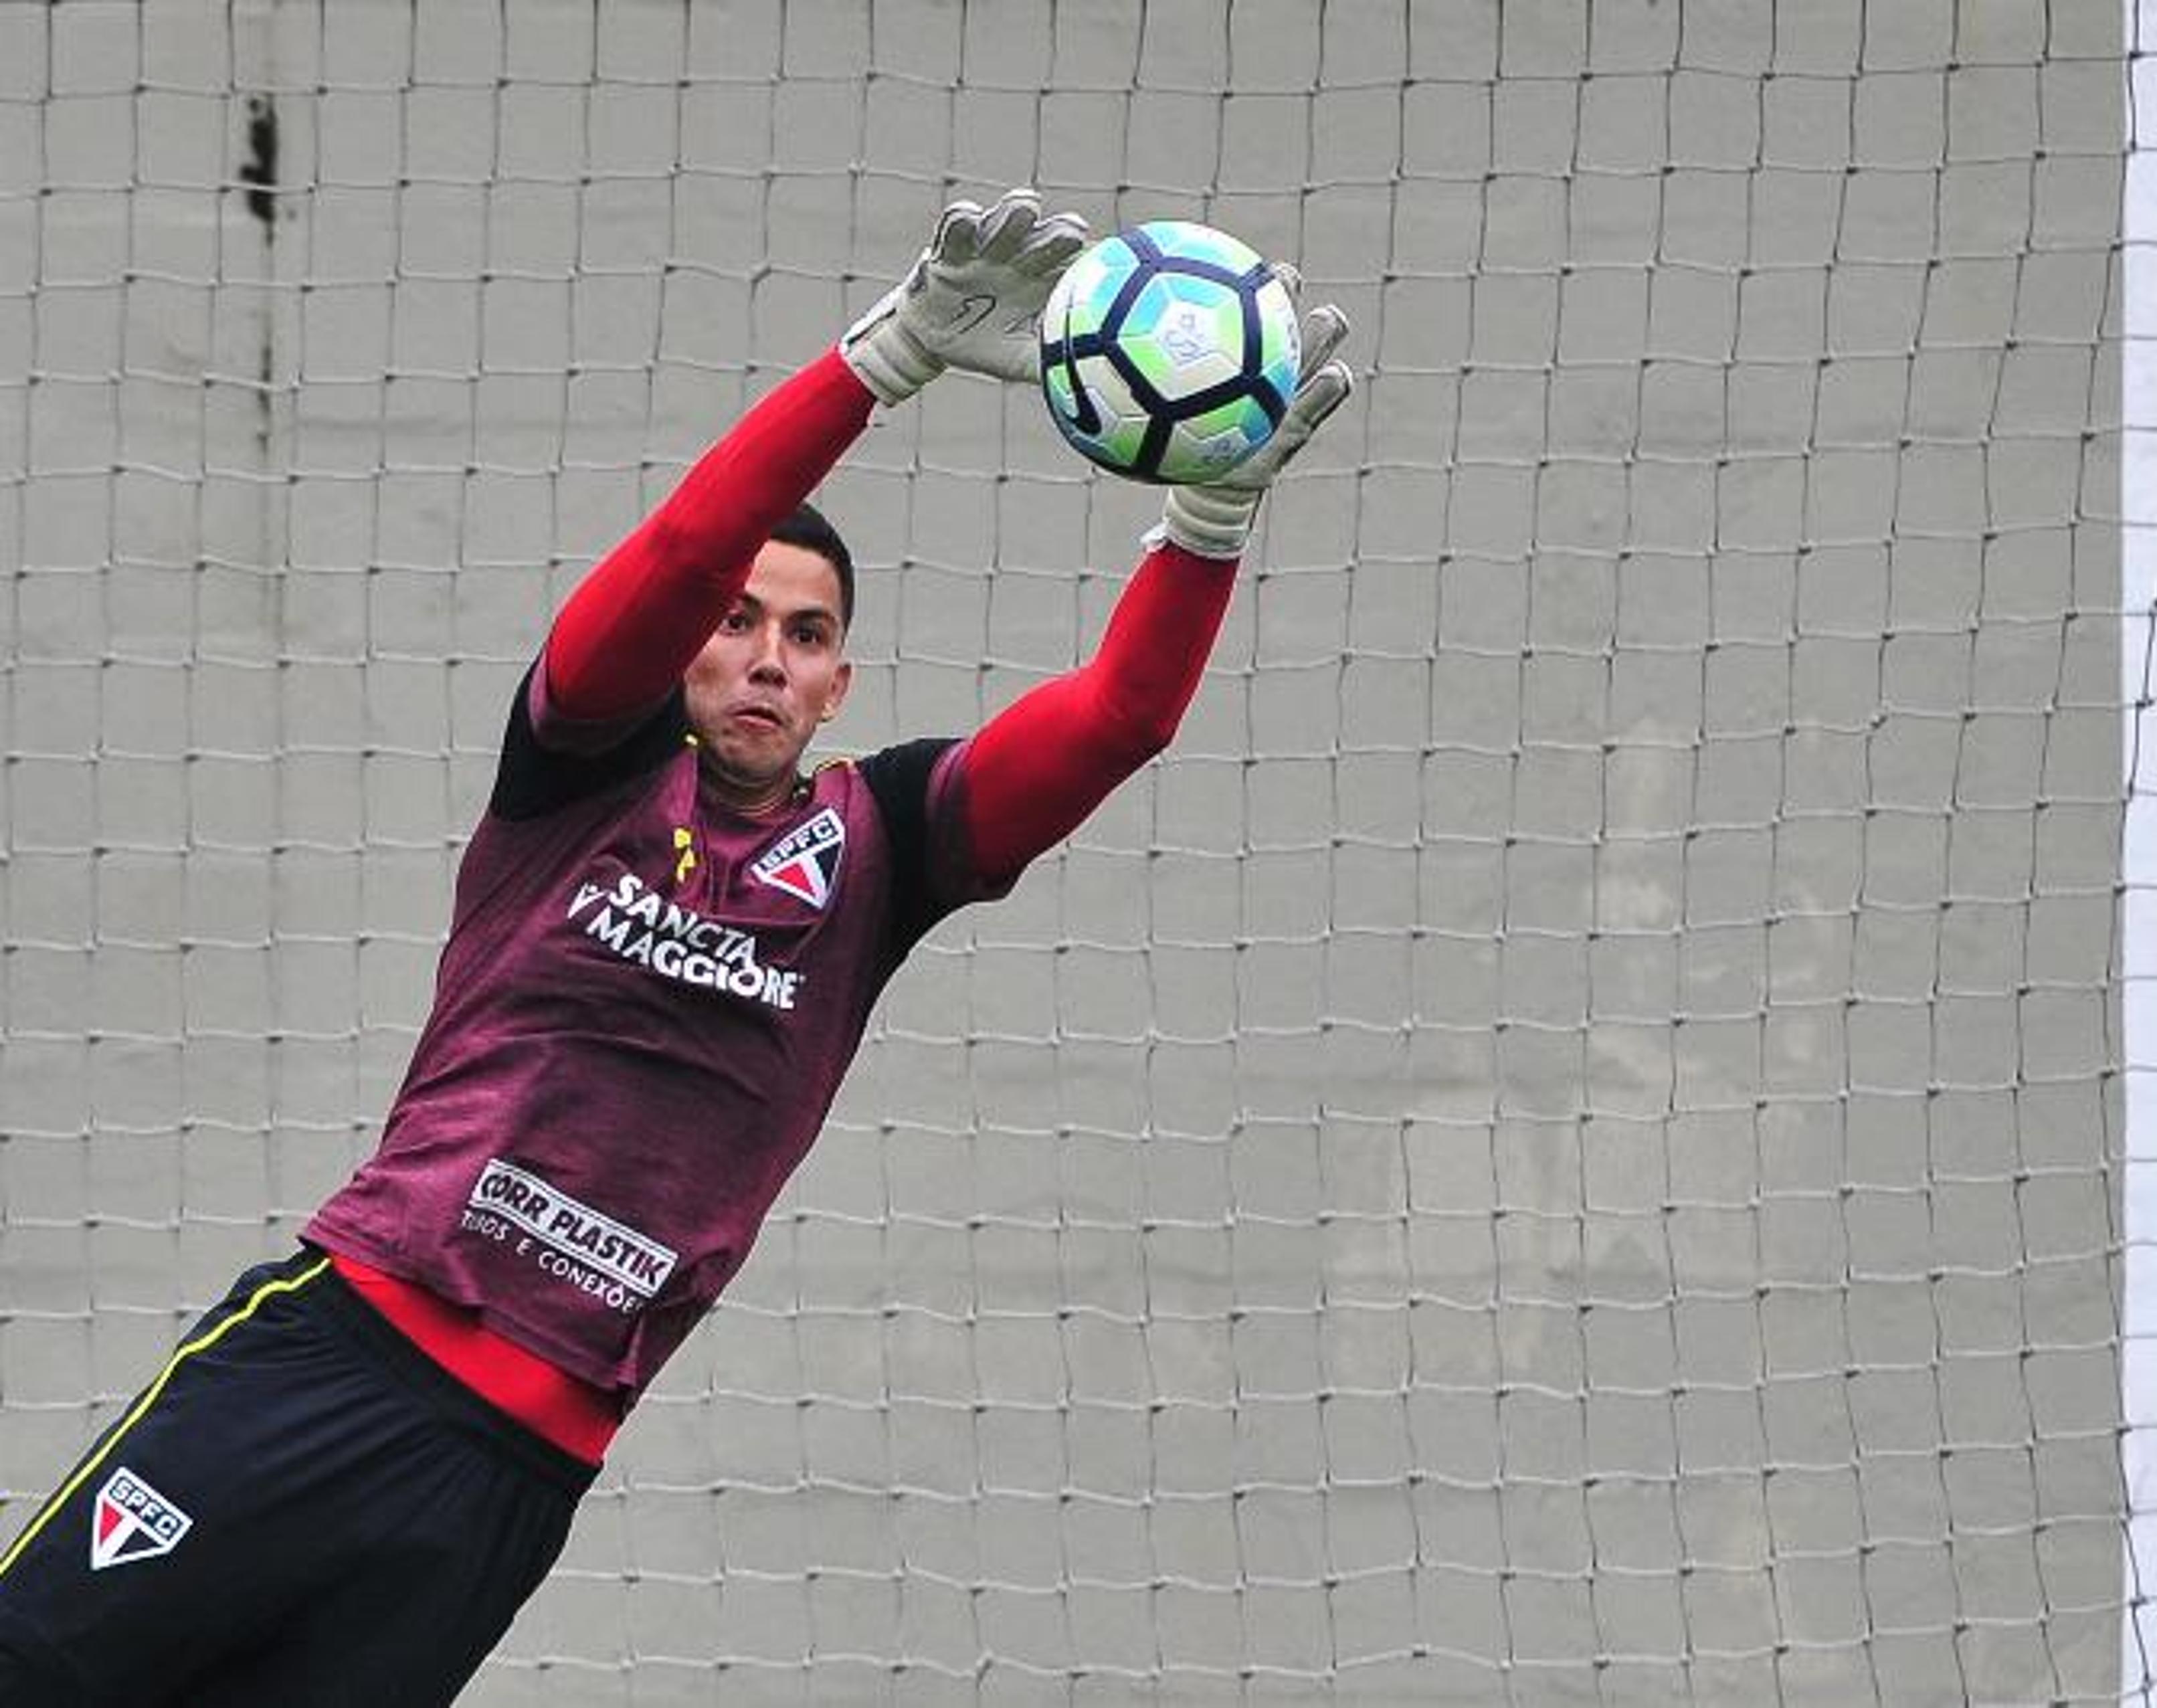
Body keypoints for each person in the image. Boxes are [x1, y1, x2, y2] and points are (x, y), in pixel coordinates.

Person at [0, 188, 1353, 1705]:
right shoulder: (584, 756)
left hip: (515, 1469)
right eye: (738, 619)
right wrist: (881, 362)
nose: (765, 651)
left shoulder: (886, 845)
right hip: (328, 1364)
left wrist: (1211, 521)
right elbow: (683, 542)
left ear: (840, 680)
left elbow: (1120, 717)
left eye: (808, 631)